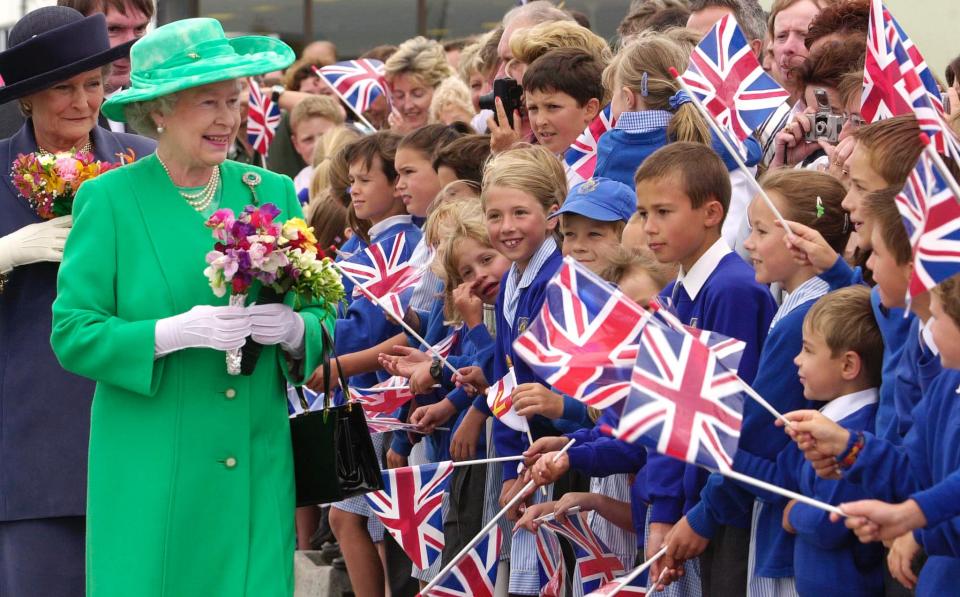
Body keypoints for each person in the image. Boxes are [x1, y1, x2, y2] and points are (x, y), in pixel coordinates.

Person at [50, 18, 333, 596]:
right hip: (151, 464)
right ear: (159, 110)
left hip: (254, 458)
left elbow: (326, 312)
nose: (228, 118)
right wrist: (167, 334)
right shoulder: (109, 200)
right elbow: (73, 332)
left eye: (234, 100)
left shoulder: (270, 191)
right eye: (209, 102)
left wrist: (296, 329)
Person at [0, 7, 155, 596]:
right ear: (28, 98)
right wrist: (3, 254)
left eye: (92, 84)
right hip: (30, 443)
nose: (82, 101)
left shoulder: (144, 161)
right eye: (62, 87)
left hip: (138, 423)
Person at [663, 169, 848, 596]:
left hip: (782, 527)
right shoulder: (795, 306)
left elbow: (758, 434)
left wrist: (705, 513)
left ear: (801, 240)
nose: (748, 244)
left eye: (761, 231)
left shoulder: (808, 319)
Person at [634, 142, 777, 595]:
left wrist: (702, 512)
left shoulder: (732, 290)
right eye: (642, 214)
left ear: (711, 213)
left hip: (724, 508)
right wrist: (663, 509)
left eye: (662, 212)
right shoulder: (679, 289)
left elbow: (733, 419)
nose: (649, 228)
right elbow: (669, 416)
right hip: (691, 502)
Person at [736, 286, 886, 597]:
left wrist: (794, 514)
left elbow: (831, 523)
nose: (797, 359)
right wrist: (725, 456)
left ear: (848, 365)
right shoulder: (822, 419)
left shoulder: (861, 433)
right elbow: (781, 478)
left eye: (808, 349)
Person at [521, 48, 604, 163]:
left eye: (552, 107)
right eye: (533, 108)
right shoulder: (546, 165)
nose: (540, 121)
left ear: (589, 109)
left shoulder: (603, 170)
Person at [384, 37, 454, 134]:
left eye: (417, 94)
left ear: (440, 91)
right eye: (399, 95)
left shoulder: (458, 133)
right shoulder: (390, 139)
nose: (408, 106)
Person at [289, 95, 345, 200]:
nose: (317, 146)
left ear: (341, 132)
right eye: (308, 139)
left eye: (325, 136)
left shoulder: (356, 175)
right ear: (296, 144)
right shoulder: (298, 184)